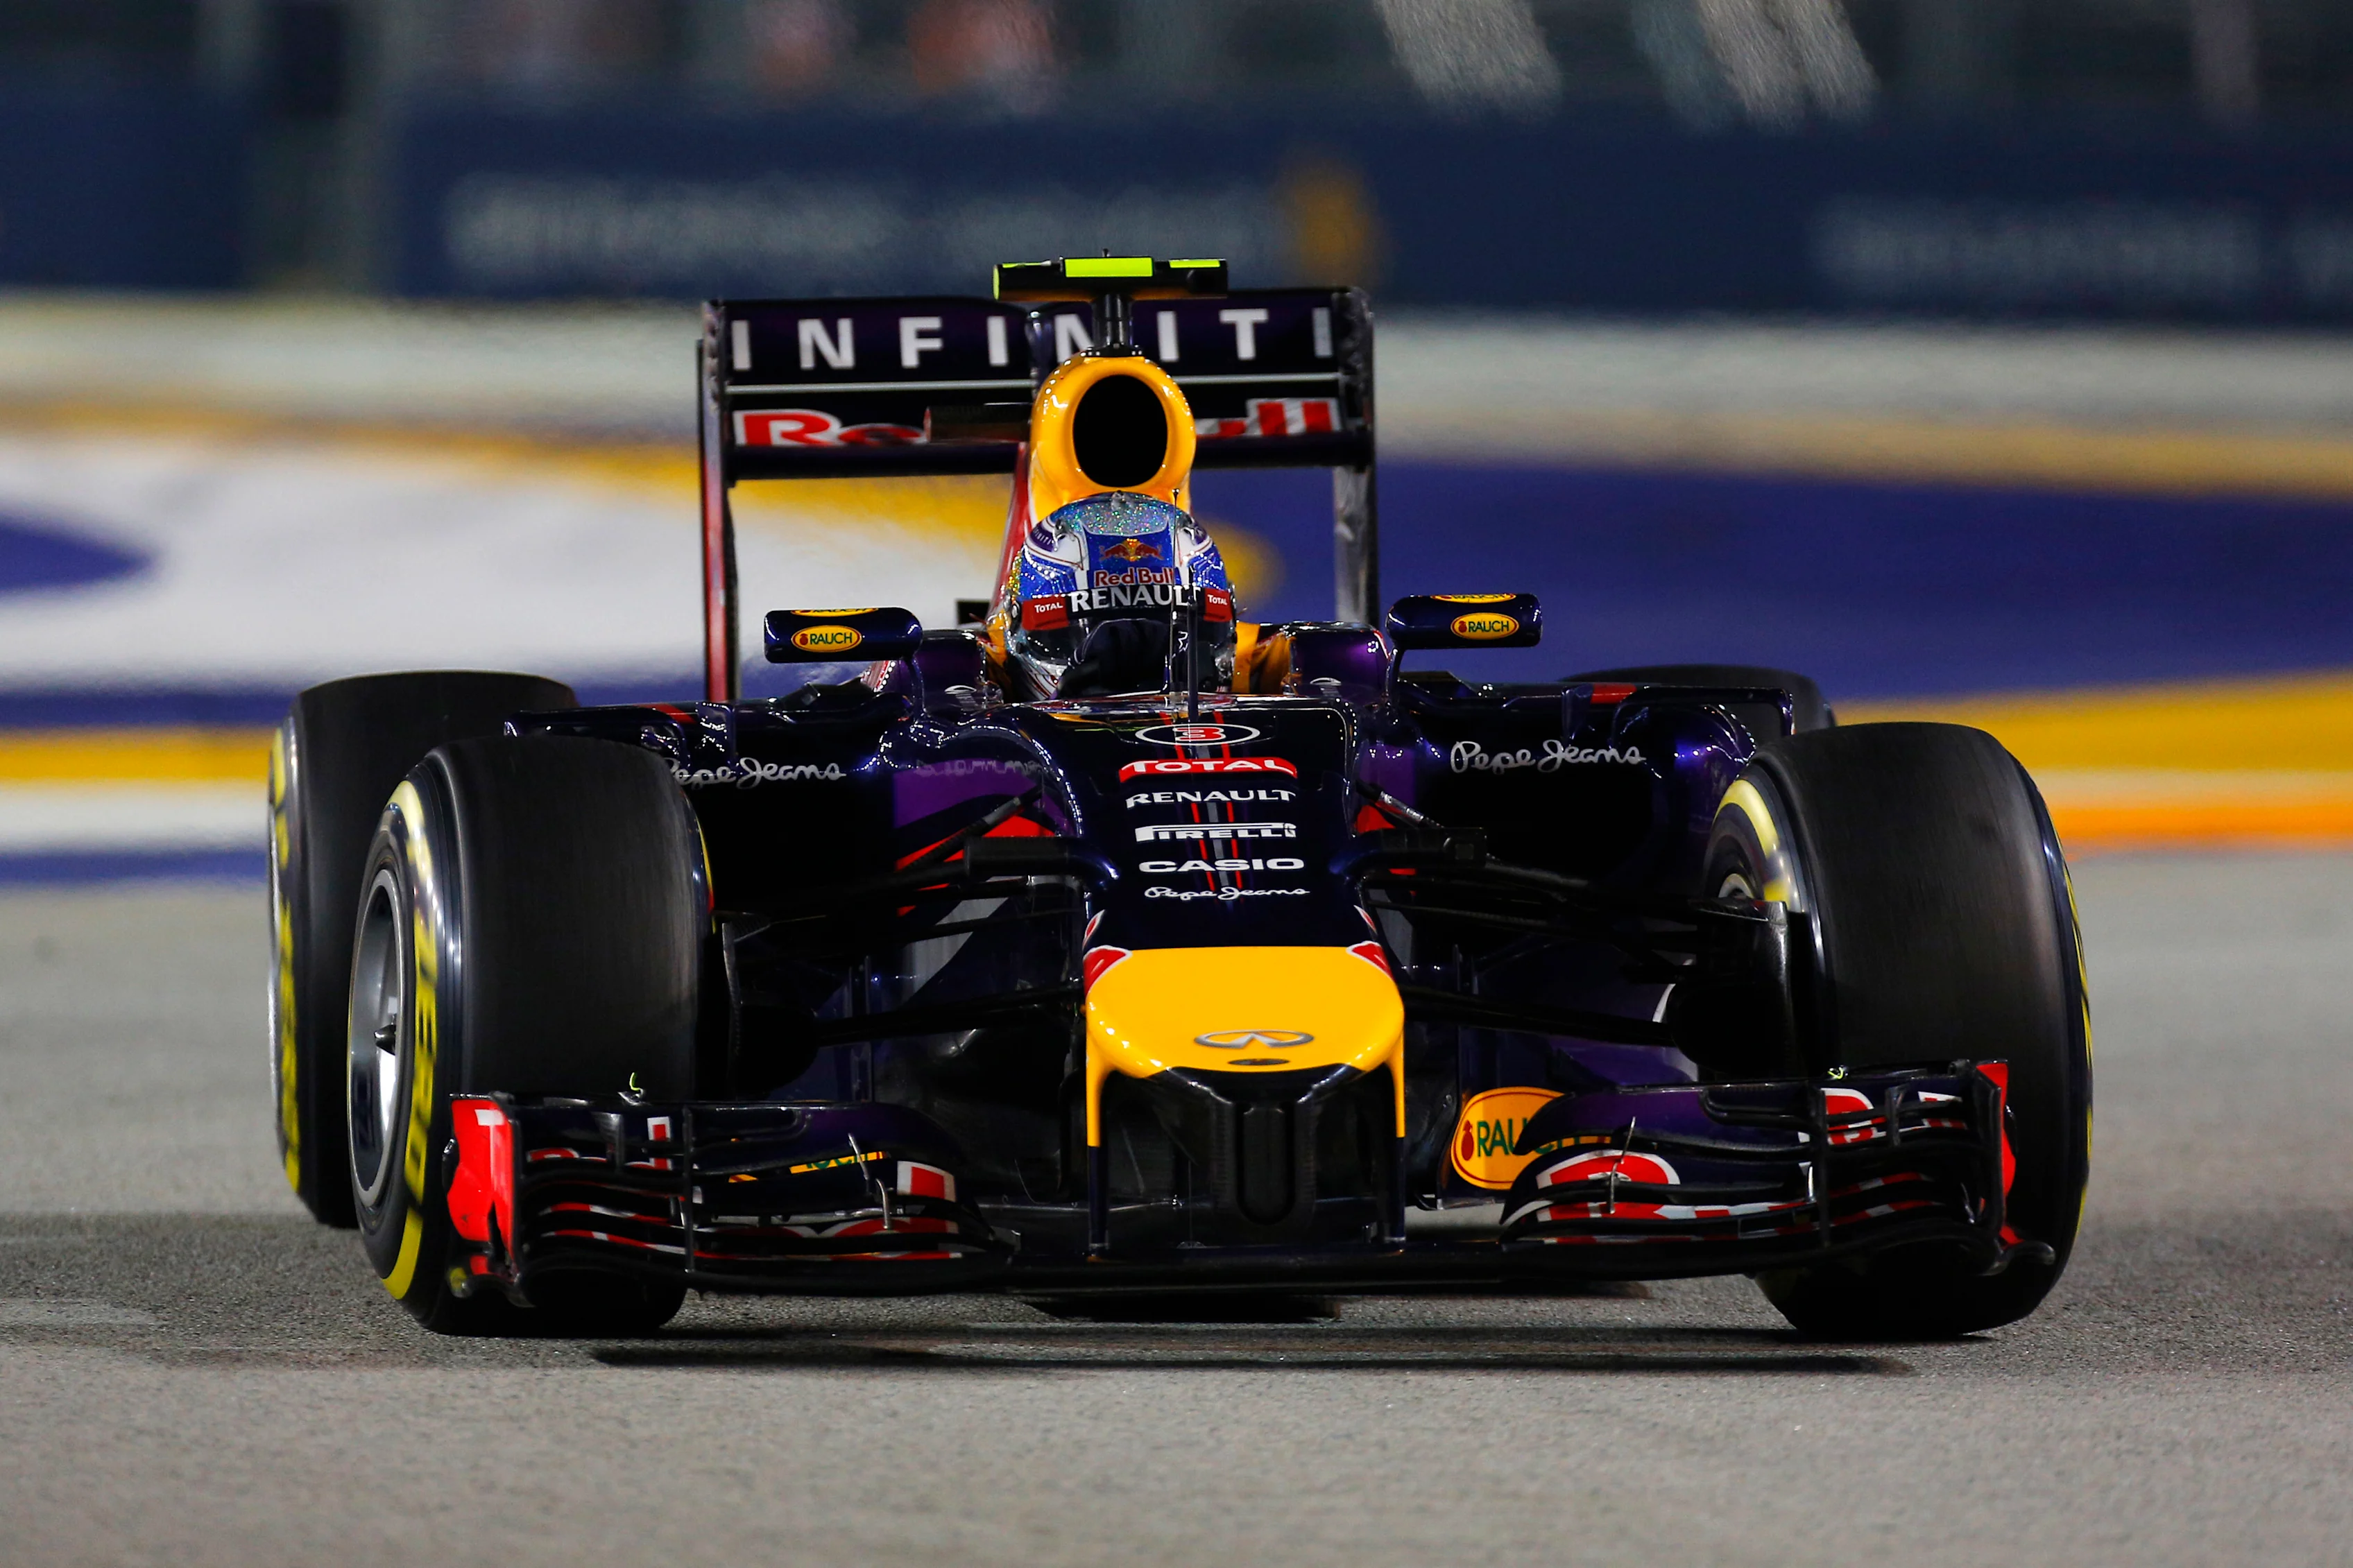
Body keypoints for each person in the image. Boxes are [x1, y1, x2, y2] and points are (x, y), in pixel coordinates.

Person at [1007, 491, 1233, 700]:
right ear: (1015, 629)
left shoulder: (1255, 673)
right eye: (1095, 627)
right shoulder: (989, 684)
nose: (1135, 666)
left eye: (1165, 627)